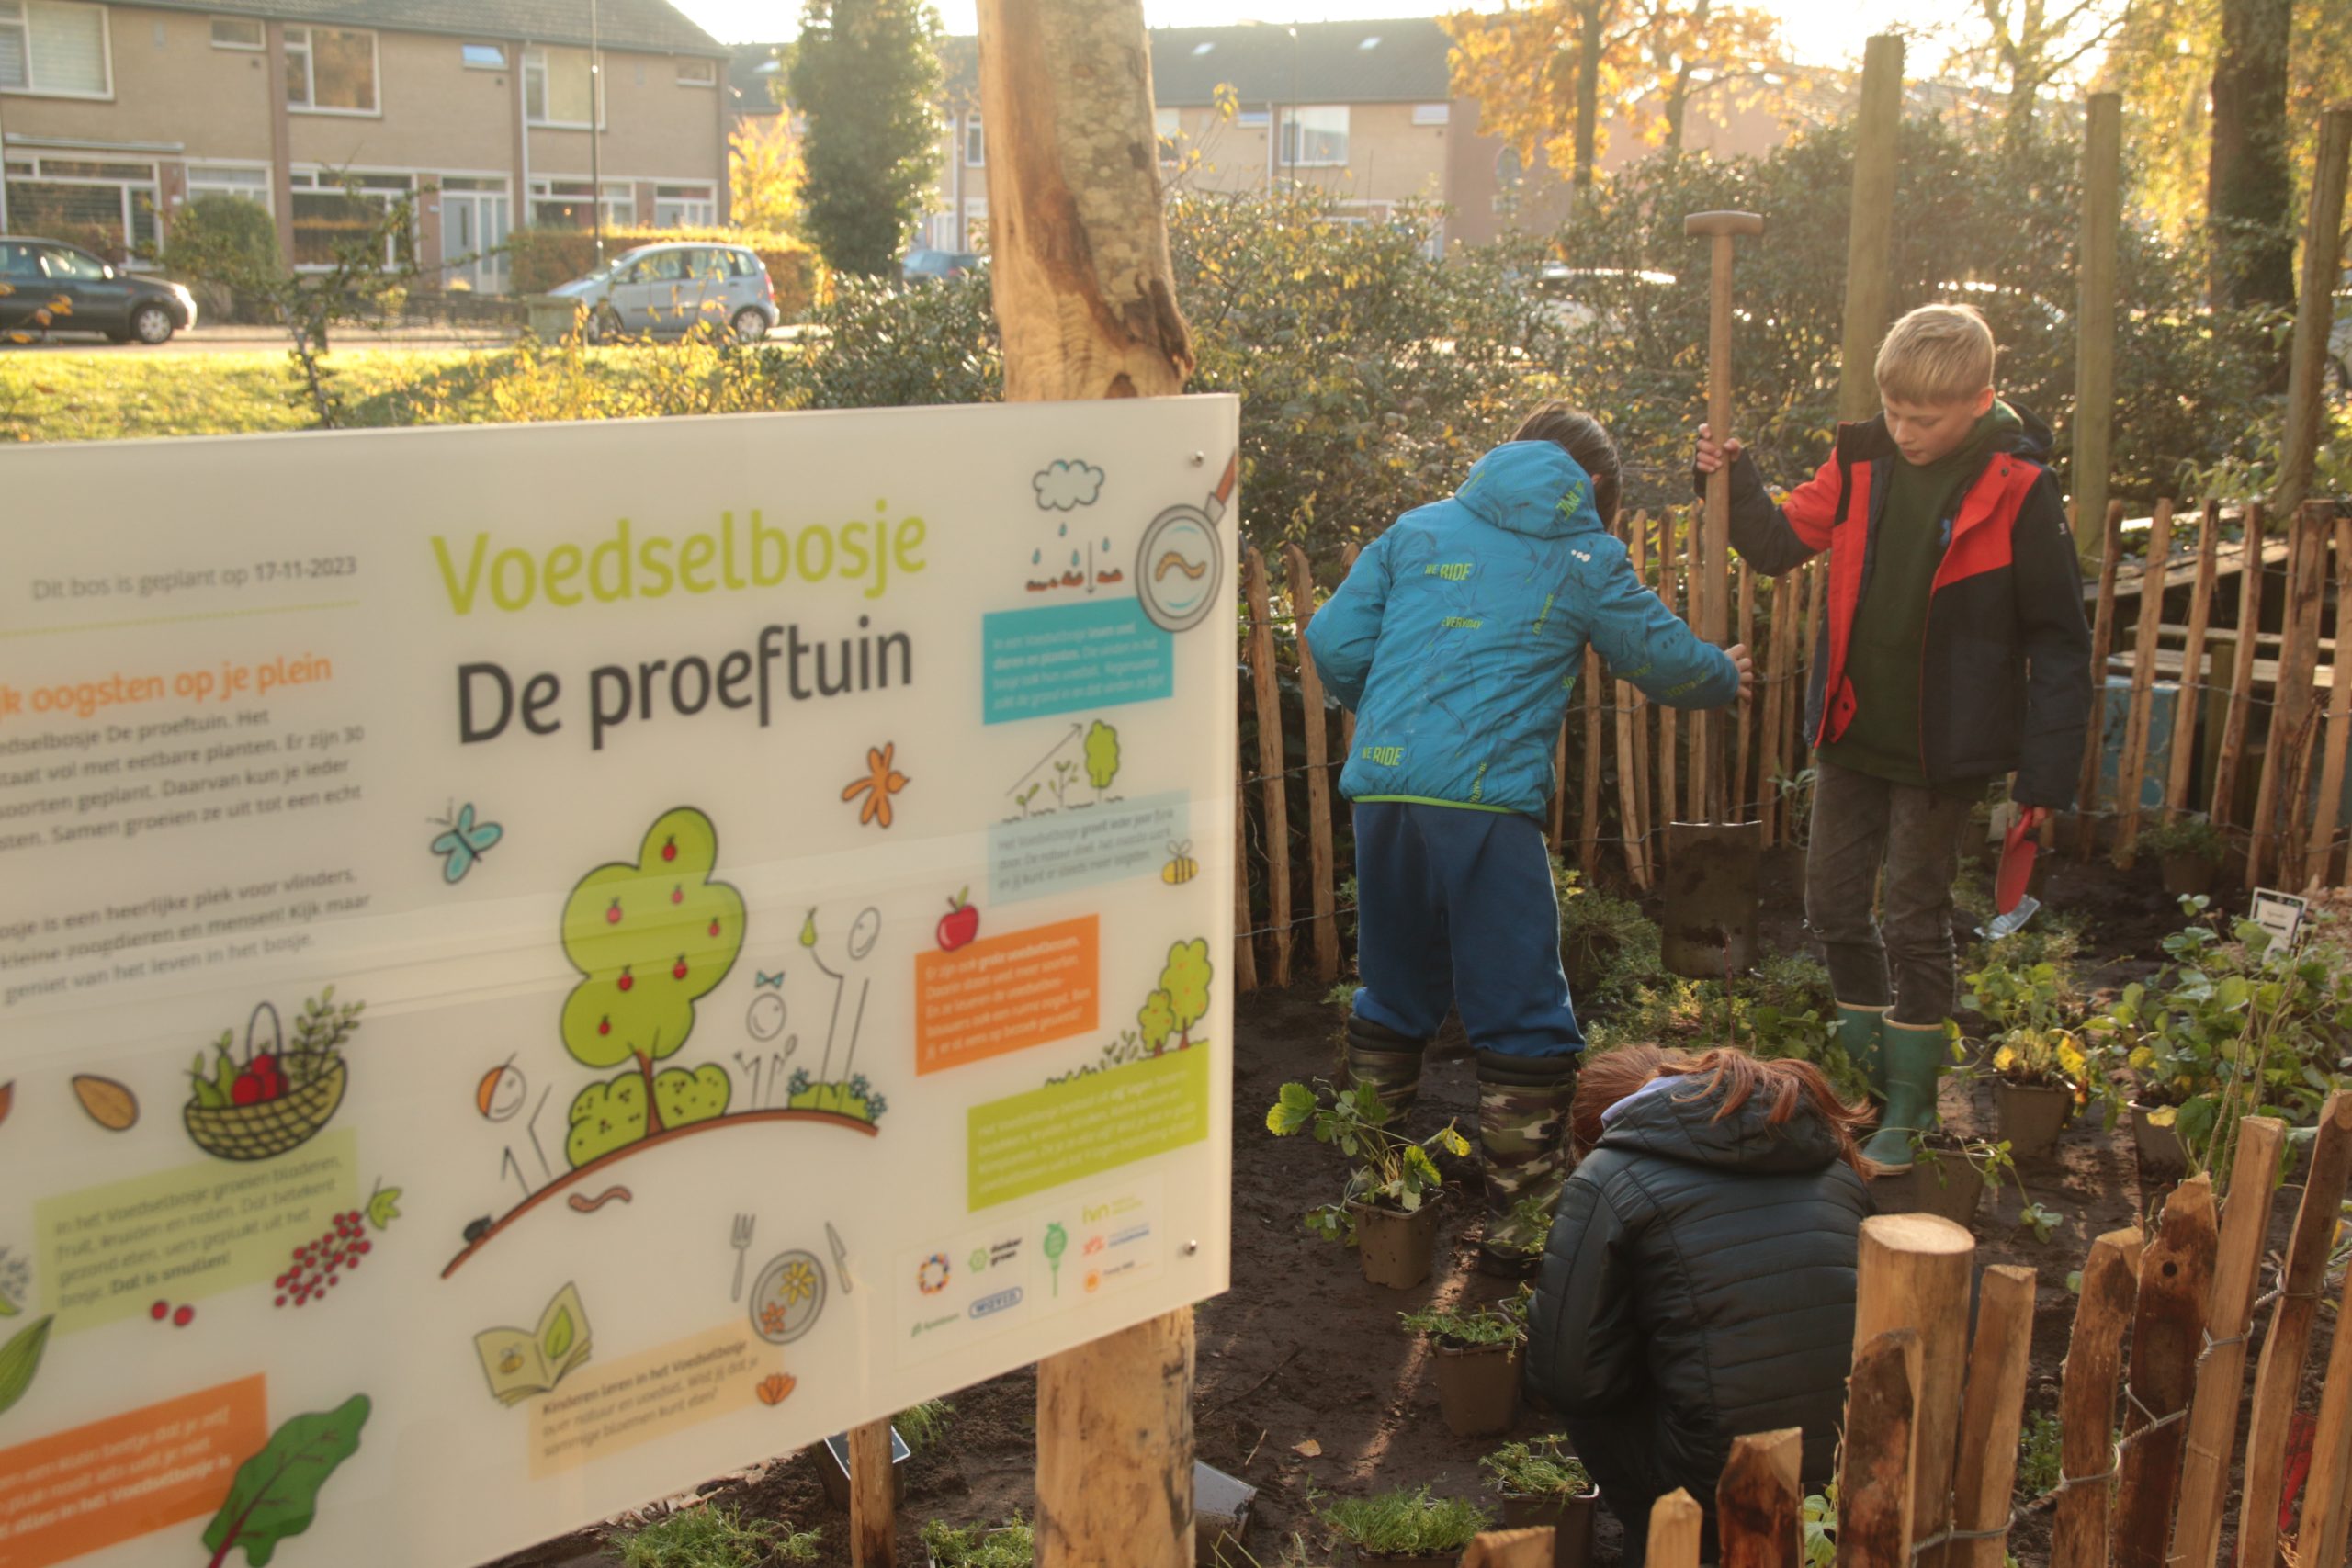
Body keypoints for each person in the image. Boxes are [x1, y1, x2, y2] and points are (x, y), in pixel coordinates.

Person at [1304, 404, 1751, 1273]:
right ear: (1596, 490)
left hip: (1385, 789)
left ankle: (1379, 1191)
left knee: (1392, 996)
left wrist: (1395, 710)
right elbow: (1656, 657)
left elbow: (1329, 638)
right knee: (1519, 1010)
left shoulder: (1419, 527)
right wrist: (1723, 674)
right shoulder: (1585, 554)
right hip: (1484, 804)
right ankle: (1521, 1225)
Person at [1695, 303, 2093, 1168]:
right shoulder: (1863, 455)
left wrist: (2043, 779)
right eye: (1897, 413)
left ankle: (1912, 1101)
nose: (1906, 433)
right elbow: (1772, 544)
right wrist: (1729, 476)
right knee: (1833, 906)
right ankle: (1869, 1079)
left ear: (1981, 400)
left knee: (1914, 916)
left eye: (1927, 419)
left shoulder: (2021, 487)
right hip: (1853, 726)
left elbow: (2063, 638)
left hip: (1946, 747)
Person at [1524, 1044, 1874, 1561]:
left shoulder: (1609, 1174)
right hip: (1864, 1459)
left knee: (1585, 1381)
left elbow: (1567, 1378)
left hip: (1720, 1481)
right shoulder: (1826, 1154)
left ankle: (1661, 1545)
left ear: (1595, 1131)